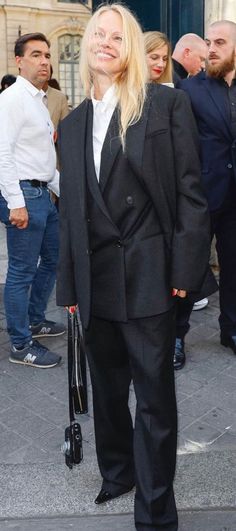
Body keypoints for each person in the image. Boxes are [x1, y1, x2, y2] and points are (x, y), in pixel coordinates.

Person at [57, 4, 211, 530]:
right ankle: (117, 472)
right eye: (97, 33)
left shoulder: (165, 106)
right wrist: (69, 286)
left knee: (153, 403)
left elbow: (193, 196)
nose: (104, 42)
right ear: (87, 45)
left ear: (130, 51)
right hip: (97, 283)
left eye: (117, 36)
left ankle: (156, 513)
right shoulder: (73, 122)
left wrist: (183, 276)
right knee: (105, 392)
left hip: (150, 277)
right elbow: (72, 213)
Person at [0, 32, 64, 369]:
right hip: (25, 195)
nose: (44, 61)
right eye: (36, 55)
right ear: (19, 61)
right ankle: (20, 344)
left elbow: (44, 157)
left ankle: (36, 320)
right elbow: (3, 155)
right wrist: (15, 203)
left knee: (52, 259)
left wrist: (69, 192)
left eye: (47, 55)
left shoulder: (39, 101)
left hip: (44, 193)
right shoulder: (11, 100)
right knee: (21, 272)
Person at [177, 20, 236, 358]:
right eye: (208, 42)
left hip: (235, 198)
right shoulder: (190, 89)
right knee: (190, 268)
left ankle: (230, 330)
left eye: (220, 42)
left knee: (234, 268)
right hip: (201, 196)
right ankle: (176, 336)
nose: (211, 48)